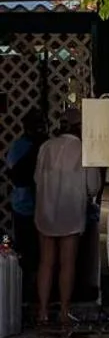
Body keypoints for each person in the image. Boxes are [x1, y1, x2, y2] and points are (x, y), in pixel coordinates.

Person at [34, 107, 100, 333]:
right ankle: (63, 311)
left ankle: (42, 311)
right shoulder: (83, 150)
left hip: (45, 209)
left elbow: (36, 178)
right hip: (71, 211)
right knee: (67, 263)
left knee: (46, 262)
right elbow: (93, 186)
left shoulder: (45, 147)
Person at [4, 113, 45, 316]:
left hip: (41, 207)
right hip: (24, 207)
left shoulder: (44, 146)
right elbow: (16, 175)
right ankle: (26, 294)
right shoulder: (21, 147)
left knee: (40, 254)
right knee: (26, 253)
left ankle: (36, 295)